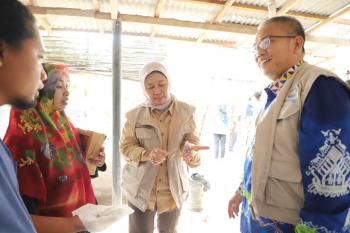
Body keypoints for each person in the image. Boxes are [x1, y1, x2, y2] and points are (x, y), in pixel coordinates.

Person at [227, 16, 350, 233]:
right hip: (256, 218)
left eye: (266, 41)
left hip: (289, 225)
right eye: (255, 47)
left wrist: (316, 228)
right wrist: (241, 191)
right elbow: (261, 156)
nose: (259, 51)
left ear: (296, 43)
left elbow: (333, 178)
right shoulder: (273, 94)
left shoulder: (320, 87)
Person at [4, 63, 107, 232]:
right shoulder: (26, 130)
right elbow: (22, 200)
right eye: (59, 86)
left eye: (68, 86)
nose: (67, 92)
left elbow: (76, 167)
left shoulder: (63, 123)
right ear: (43, 88)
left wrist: (96, 160)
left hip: (82, 217)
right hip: (55, 224)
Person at [120, 61, 208, 233]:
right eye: (150, 86)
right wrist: (146, 154)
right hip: (141, 189)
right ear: (143, 88)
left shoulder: (186, 111)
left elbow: (192, 140)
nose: (157, 91)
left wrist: (190, 152)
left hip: (172, 188)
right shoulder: (134, 116)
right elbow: (125, 147)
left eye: (162, 84)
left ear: (169, 83)